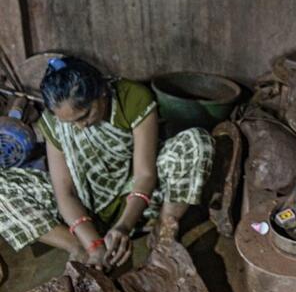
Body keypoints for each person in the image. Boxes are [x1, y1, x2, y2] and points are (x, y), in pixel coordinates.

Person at [0, 57, 214, 270]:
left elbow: (144, 175)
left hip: (141, 201)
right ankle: (78, 247)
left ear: (101, 93)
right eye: (70, 123)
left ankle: (164, 232)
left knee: (196, 142)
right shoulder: (53, 123)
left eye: (84, 116)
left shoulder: (131, 97)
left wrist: (123, 225)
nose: (81, 127)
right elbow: (64, 192)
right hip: (86, 207)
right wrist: (93, 245)